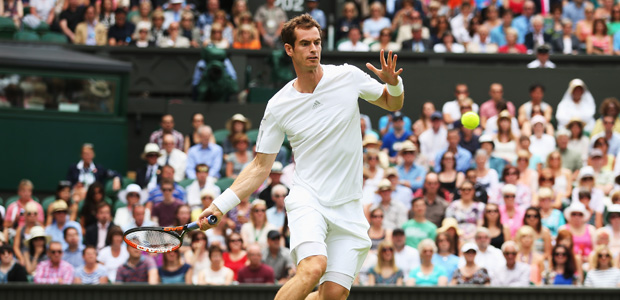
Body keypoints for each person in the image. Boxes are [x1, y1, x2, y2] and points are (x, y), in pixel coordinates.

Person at [199, 14, 405, 299]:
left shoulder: (347, 76)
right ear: (289, 49)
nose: (314, 49)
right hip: (309, 200)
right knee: (312, 268)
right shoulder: (278, 106)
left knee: (332, 295)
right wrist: (220, 205)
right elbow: (260, 167)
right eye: (305, 43)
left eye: (317, 42)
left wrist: (394, 84)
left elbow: (392, 103)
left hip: (349, 207)